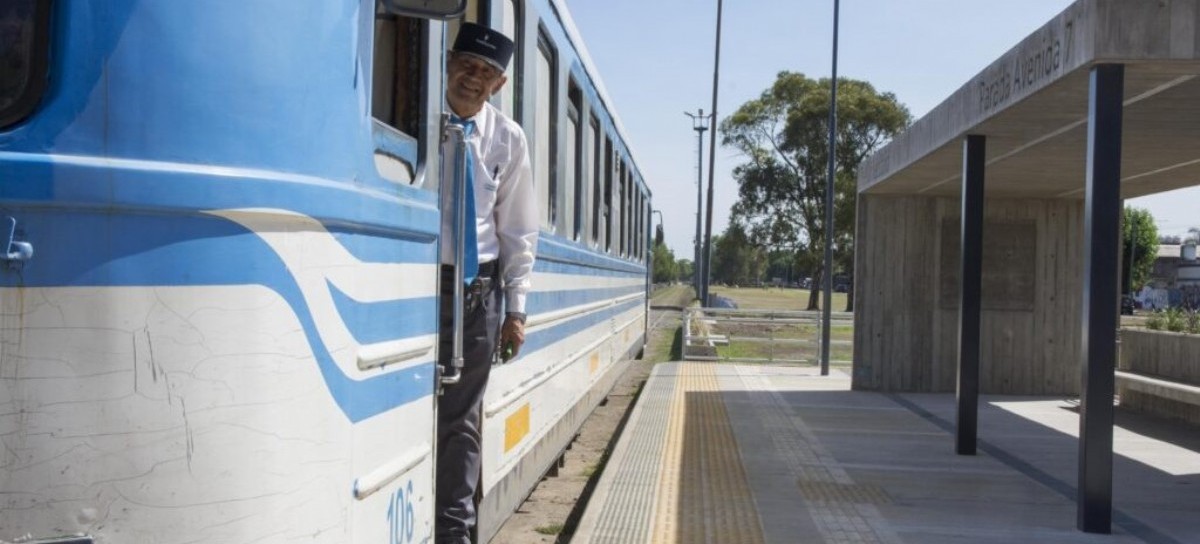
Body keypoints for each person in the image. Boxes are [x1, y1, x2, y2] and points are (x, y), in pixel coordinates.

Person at [436, 22, 538, 544]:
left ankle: (453, 534)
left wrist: (515, 310)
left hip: (479, 296)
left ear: (498, 85)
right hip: (422, 287)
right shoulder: (423, 118)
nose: (472, 79)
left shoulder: (507, 138)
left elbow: (517, 229)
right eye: (466, 65)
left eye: (486, 73)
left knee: (463, 424)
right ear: (447, 61)